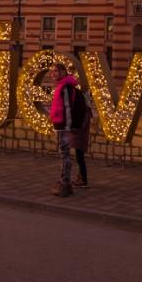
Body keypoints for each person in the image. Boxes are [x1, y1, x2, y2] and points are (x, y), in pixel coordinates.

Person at [49, 64, 85, 197]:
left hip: (64, 127)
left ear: (63, 72)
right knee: (64, 154)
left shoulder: (65, 88)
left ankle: (65, 182)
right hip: (61, 125)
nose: (53, 73)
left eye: (56, 71)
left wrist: (69, 128)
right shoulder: (61, 86)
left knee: (64, 154)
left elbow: (68, 109)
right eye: (51, 71)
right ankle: (64, 181)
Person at [71, 80, 92, 189]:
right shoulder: (86, 110)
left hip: (80, 134)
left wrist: (76, 129)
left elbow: (83, 123)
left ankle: (83, 180)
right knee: (79, 157)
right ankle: (81, 177)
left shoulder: (85, 111)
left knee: (80, 157)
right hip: (80, 133)